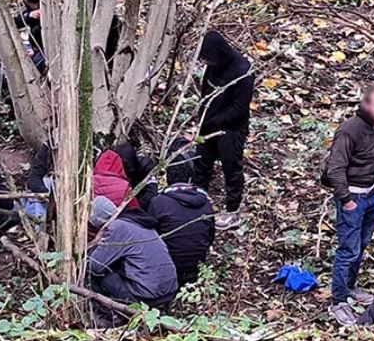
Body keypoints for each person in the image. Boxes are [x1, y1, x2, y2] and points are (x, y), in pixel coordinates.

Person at [322, 83, 374, 325]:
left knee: (362, 245)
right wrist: (346, 199)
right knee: (348, 250)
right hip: (353, 196)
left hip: (373, 195)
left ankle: (351, 286)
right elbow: (335, 168)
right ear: (366, 104)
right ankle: (338, 301)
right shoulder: (349, 130)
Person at [192, 31, 254, 230]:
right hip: (207, 124)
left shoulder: (242, 69)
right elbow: (205, 92)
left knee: (231, 168)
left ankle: (232, 211)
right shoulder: (213, 67)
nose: (207, 62)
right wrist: (202, 117)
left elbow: (240, 108)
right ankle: (196, 204)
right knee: (201, 165)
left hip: (231, 129)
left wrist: (215, 122)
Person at [87, 196, 178, 317]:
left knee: (98, 272)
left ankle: (115, 314)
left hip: (148, 295)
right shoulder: (138, 222)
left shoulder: (118, 227)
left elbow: (95, 265)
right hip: (170, 290)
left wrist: (94, 243)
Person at [148, 151, 215, 285]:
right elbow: (210, 236)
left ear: (167, 178)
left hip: (167, 265)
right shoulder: (205, 202)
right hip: (197, 265)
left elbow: (149, 236)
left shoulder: (158, 202)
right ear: (190, 178)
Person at [113, 144, 158, 210]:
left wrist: (136, 209)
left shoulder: (146, 166)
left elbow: (151, 192)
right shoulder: (117, 169)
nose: (126, 166)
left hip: (142, 204)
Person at [15, 0, 45, 70]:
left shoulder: (45, 3)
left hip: (43, 46)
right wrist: (29, 15)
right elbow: (17, 22)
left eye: (37, 3)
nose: (36, 6)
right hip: (33, 45)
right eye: (34, 4)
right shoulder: (27, 9)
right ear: (26, 1)